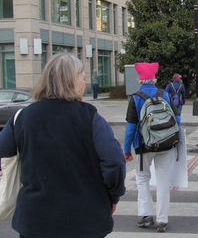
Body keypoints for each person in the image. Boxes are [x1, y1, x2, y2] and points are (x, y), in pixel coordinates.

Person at [0, 53, 126, 238]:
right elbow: (114, 162)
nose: (84, 84)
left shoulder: (22, 117)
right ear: (73, 81)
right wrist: (112, 195)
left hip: (35, 220)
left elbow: (4, 154)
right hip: (84, 221)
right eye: (83, 78)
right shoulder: (90, 118)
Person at [123, 62, 181, 233]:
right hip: (166, 144)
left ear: (140, 79)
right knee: (163, 181)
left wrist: (127, 150)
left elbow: (130, 128)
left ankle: (145, 215)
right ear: (154, 78)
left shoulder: (135, 98)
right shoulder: (165, 95)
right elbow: (177, 120)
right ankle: (162, 220)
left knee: (142, 179)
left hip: (143, 146)